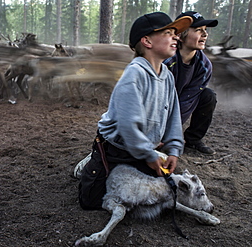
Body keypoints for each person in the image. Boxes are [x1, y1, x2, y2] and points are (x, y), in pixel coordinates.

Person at [78, 12, 192, 210]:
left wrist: (174, 149)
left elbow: (173, 116)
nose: (176, 37)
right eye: (168, 32)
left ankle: (140, 159)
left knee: (149, 196)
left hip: (143, 148)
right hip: (116, 148)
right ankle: (90, 163)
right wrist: (148, 154)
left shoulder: (167, 76)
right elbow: (128, 124)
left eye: (176, 33)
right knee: (91, 201)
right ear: (147, 40)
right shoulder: (134, 73)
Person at [164, 11, 218, 155]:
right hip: (161, 103)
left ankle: (193, 140)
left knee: (208, 96)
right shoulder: (166, 61)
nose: (205, 35)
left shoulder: (204, 66)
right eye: (198, 30)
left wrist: (171, 134)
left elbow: (187, 101)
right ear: (181, 35)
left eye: (205, 30)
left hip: (181, 101)